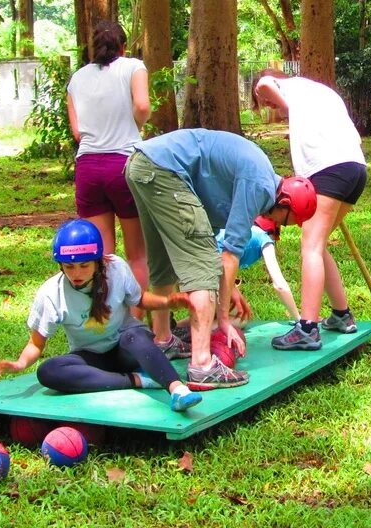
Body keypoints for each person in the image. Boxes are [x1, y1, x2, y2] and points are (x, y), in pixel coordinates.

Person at [125, 129, 317, 383]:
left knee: (164, 262)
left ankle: (163, 340)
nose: (280, 225)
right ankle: (203, 366)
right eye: (289, 221)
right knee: (201, 265)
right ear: (285, 203)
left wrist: (228, 289)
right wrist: (223, 319)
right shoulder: (260, 186)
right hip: (165, 170)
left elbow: (212, 242)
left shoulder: (258, 177)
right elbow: (225, 254)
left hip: (142, 165)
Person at [0, 219, 203, 413]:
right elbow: (36, 344)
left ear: (98, 262)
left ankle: (177, 390)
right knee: (48, 371)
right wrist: (20, 364)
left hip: (125, 348)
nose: (76, 274)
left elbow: (139, 300)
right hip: (91, 359)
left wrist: (167, 301)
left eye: (84, 265)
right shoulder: (50, 293)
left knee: (135, 336)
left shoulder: (116, 268)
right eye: (69, 266)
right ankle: (139, 380)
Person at [252, 70, 367, 351]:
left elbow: (264, 84)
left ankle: (307, 328)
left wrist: (279, 101)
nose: (267, 104)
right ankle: (341, 315)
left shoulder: (285, 86)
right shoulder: (317, 92)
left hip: (328, 168)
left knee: (311, 246)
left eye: (264, 102)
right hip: (355, 168)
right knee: (318, 243)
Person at [66, 21, 150, 296]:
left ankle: (106, 322)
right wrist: (136, 125)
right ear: (123, 48)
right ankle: (137, 321)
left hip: (88, 168)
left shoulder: (77, 79)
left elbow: (78, 132)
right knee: (137, 254)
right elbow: (142, 105)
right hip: (124, 165)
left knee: (103, 256)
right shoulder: (133, 67)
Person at [217, 216, 301, 321]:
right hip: (212, 272)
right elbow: (280, 285)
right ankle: (198, 332)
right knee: (241, 319)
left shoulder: (241, 230)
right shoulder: (264, 238)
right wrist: (298, 318)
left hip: (201, 266)